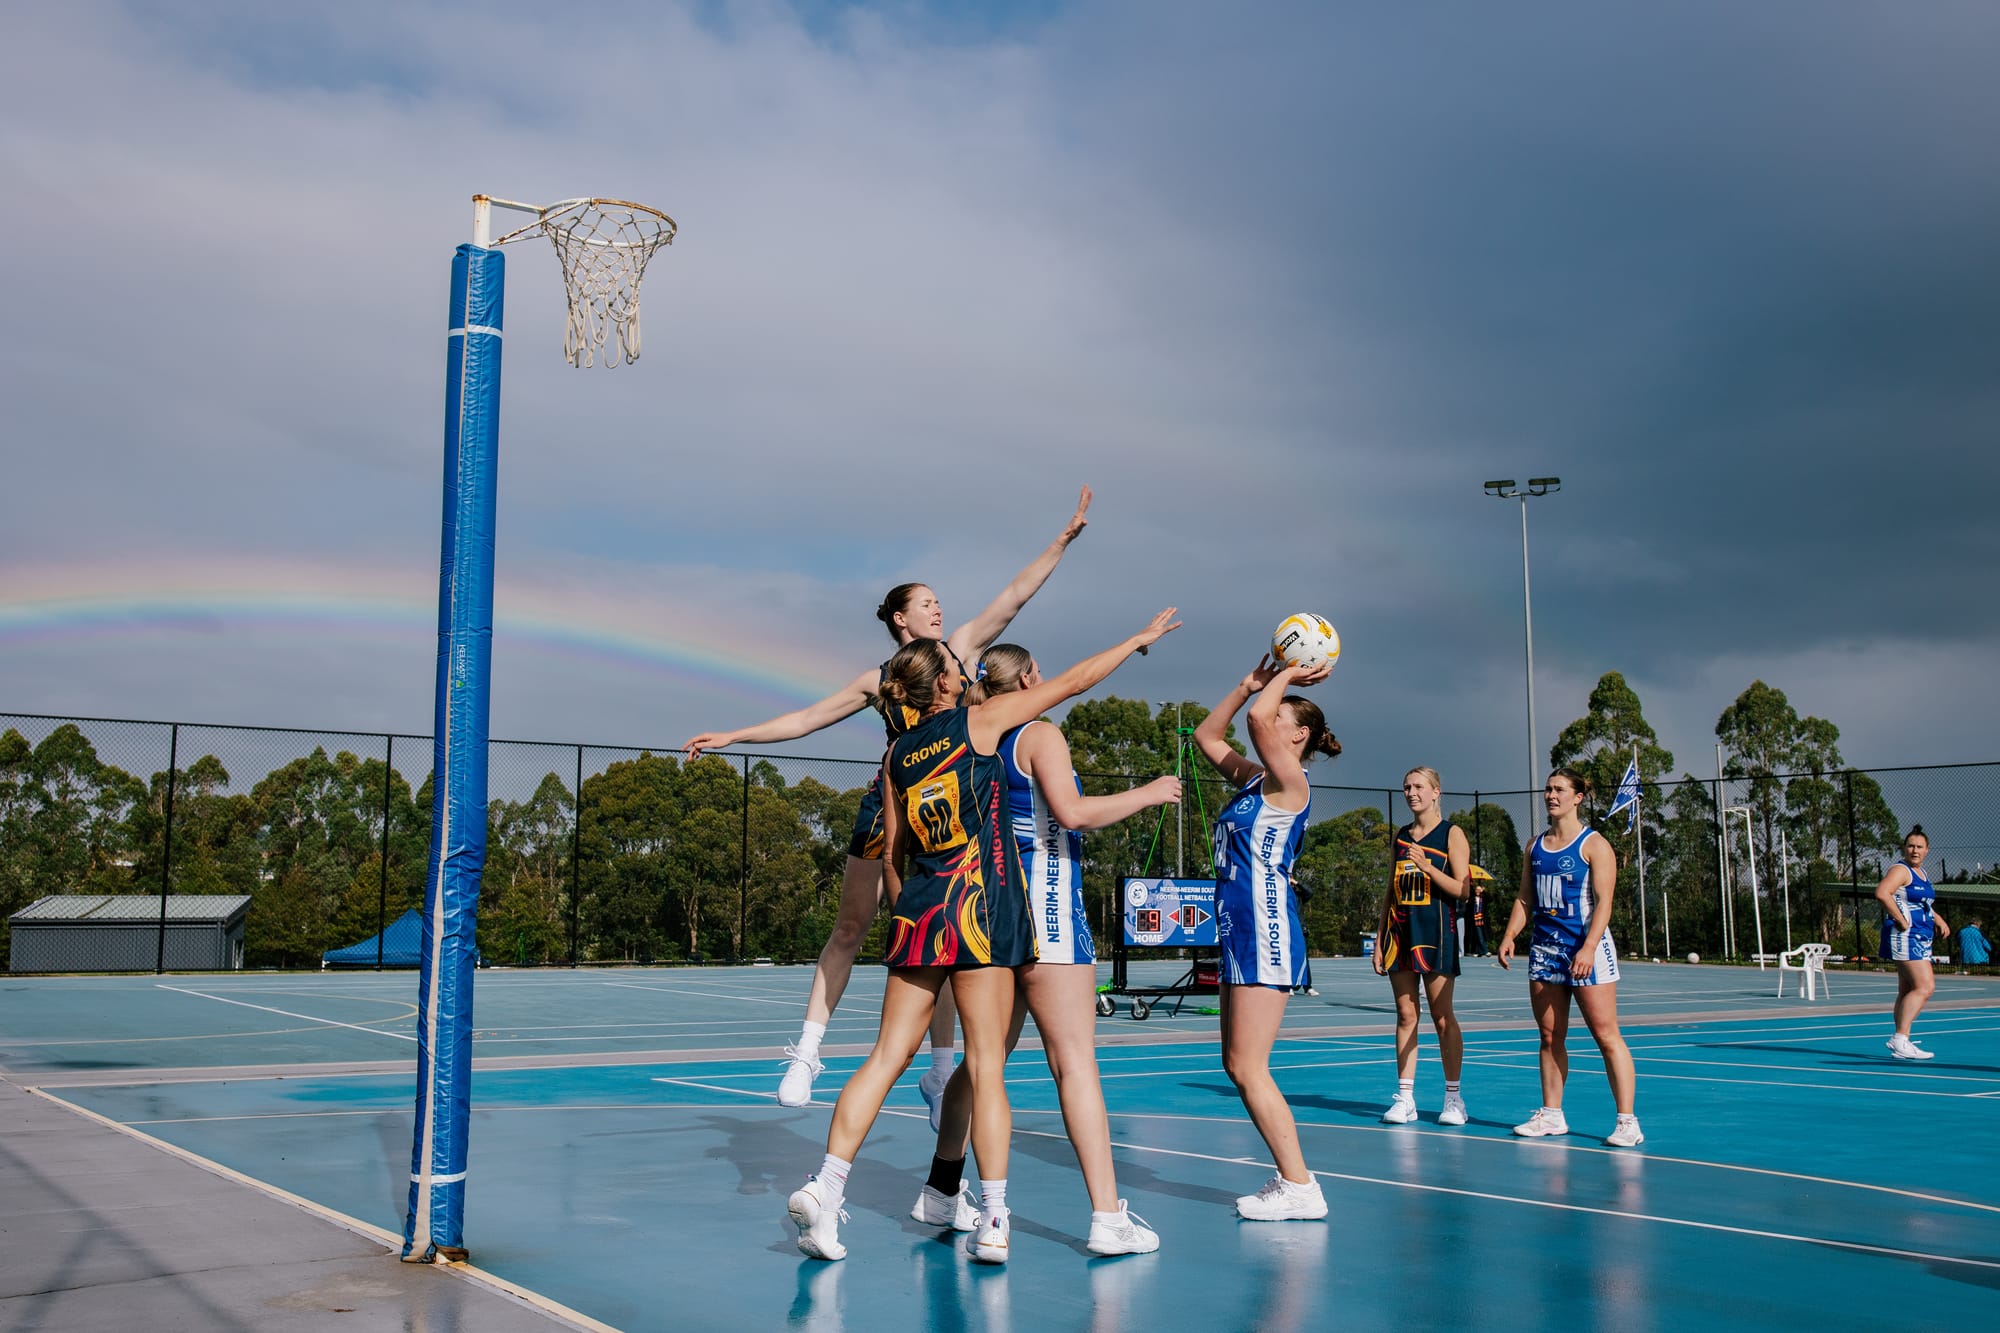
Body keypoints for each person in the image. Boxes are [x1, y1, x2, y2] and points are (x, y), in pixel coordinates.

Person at [786, 609, 1181, 1264]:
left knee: (887, 1056)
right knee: (996, 1063)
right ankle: (1002, 1217)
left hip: (920, 910)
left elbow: (894, 849)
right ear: (943, 683)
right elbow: (1077, 684)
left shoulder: (894, 753)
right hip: (986, 913)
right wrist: (1136, 640)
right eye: (954, 662)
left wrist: (907, 903)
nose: (964, 665)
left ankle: (829, 1185)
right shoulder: (986, 725)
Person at [684, 488, 1092, 1112]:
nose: (938, 609)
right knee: (851, 927)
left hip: (956, 811)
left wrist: (1061, 541)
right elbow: (806, 719)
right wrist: (736, 734)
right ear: (901, 618)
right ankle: (807, 1052)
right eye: (927, 603)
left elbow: (1014, 595)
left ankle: (937, 1071)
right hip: (893, 809)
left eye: (939, 603)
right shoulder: (878, 680)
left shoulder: (960, 652)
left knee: (950, 938)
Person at [913, 644, 1181, 1257]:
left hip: (988, 915)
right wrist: (1149, 792)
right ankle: (1108, 1217)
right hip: (1048, 913)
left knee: (985, 1060)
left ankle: (940, 1189)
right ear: (1031, 678)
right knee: (1074, 1064)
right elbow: (1073, 812)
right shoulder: (1037, 735)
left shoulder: (974, 738)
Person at [1193, 655, 1338, 1221]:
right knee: (1236, 1063)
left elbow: (1256, 721)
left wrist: (1284, 677)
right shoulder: (1257, 780)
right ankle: (1294, 1182)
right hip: (1240, 926)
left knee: (1251, 1067)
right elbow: (1209, 735)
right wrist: (1248, 683)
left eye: (1280, 715)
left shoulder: (1291, 781)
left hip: (1267, 925)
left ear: (1298, 735)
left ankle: (1299, 1184)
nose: (1267, 717)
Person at [1496, 767, 1643, 1148]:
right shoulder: (1534, 846)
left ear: (1578, 797)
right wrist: (1511, 934)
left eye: (1559, 789)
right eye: (1547, 789)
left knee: (1605, 1034)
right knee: (1549, 1036)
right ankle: (1552, 1115)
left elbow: (1605, 902)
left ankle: (1628, 1121)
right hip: (1545, 950)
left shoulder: (1594, 844)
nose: (1551, 795)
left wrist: (1590, 947)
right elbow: (1525, 897)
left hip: (1586, 947)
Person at [1374, 767, 1470, 1127]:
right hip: (1401, 934)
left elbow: (1462, 889)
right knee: (1405, 1015)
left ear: (1436, 792)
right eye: (1406, 787)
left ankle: (1453, 1098)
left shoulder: (1452, 834)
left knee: (1442, 1017)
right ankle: (1405, 1097)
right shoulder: (1401, 836)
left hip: (1437, 932)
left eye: (1418, 787)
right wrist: (1380, 939)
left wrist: (1428, 867)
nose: (1411, 792)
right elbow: (1390, 890)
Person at [1875, 825, 1951, 1059]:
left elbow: (1922, 904)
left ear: (1927, 850)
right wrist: (1900, 920)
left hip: (1921, 935)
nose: (1914, 850)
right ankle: (1900, 1039)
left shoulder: (1922, 873)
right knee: (1925, 987)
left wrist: (1938, 919)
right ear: (1904, 848)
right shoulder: (1901, 871)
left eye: (1919, 847)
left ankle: (1902, 1039)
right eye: (1910, 846)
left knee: (1907, 989)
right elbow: (1882, 893)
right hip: (1907, 936)